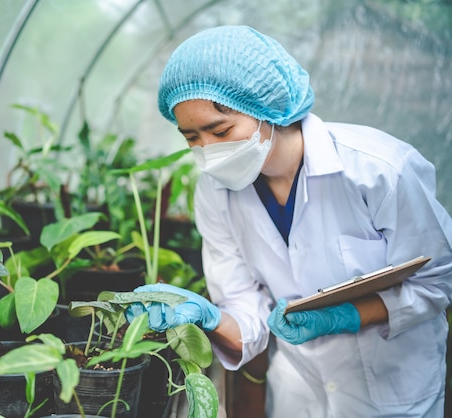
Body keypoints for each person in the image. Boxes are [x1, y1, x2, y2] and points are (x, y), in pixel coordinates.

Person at [126, 25, 452, 417]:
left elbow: (438, 281)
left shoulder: (378, 169)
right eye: (191, 138)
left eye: (220, 130)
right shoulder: (214, 193)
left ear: (267, 110)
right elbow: (248, 312)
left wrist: (345, 316)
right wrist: (209, 318)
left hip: (394, 386)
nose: (207, 151)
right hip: (297, 389)